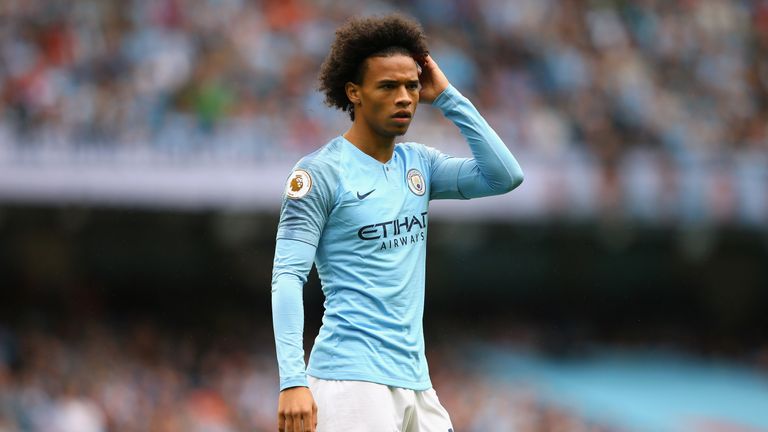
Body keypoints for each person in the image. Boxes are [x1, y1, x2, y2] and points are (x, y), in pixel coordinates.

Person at [271, 14, 523, 432]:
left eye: (411, 85)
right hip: (350, 380)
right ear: (354, 93)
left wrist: (446, 97)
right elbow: (287, 277)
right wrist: (293, 380)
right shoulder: (319, 173)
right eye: (388, 86)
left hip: (416, 382)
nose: (405, 97)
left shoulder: (419, 163)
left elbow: (504, 176)